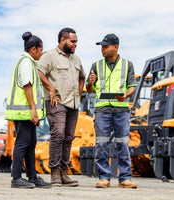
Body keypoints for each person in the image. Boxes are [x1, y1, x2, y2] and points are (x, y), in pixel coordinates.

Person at [86, 33, 138, 189]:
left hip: (121, 109)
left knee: (123, 143)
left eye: (105, 46)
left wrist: (125, 96)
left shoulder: (127, 65)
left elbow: (132, 86)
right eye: (101, 46)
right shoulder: (96, 65)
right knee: (101, 144)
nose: (102, 49)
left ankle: (125, 179)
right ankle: (103, 178)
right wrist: (90, 83)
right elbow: (89, 90)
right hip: (102, 110)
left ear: (115, 47)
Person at [38, 27, 86, 187]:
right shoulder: (49, 56)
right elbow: (40, 73)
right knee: (57, 135)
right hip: (56, 102)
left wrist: (79, 92)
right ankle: (55, 173)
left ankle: (64, 172)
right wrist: (51, 88)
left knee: (68, 138)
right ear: (62, 40)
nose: (75, 44)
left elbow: (82, 77)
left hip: (73, 103)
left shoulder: (76, 59)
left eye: (76, 42)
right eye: (72, 41)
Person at [5, 32, 52, 189]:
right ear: (33, 49)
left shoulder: (31, 63)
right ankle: (16, 179)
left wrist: (35, 113)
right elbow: (27, 86)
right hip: (23, 112)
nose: (41, 53)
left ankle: (32, 177)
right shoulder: (25, 62)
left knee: (31, 143)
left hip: (29, 113)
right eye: (40, 50)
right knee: (22, 143)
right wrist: (33, 110)